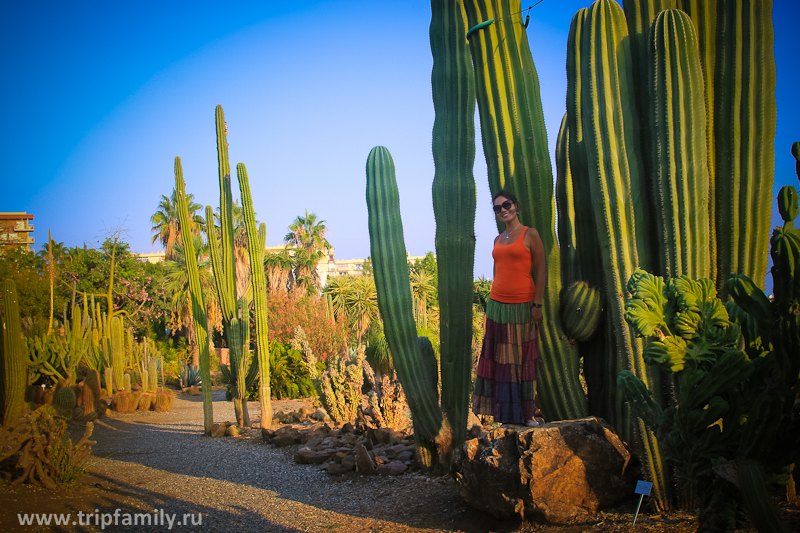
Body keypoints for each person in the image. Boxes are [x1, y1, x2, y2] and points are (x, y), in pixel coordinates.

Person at [472, 189, 545, 427]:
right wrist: (492, 300)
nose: (503, 210)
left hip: (524, 304)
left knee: (523, 360)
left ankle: (526, 414)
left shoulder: (530, 234)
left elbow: (542, 271)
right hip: (498, 305)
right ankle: (506, 416)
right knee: (502, 361)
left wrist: (537, 304)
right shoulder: (497, 239)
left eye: (506, 205)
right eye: (497, 208)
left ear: (516, 206)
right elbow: (497, 270)